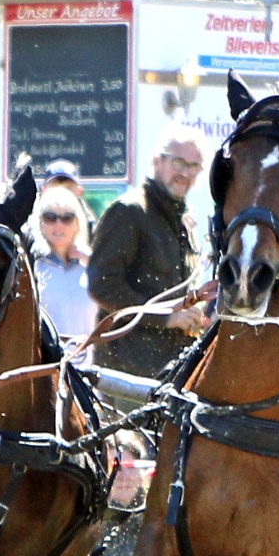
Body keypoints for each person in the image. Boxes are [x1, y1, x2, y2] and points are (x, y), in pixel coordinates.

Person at [88, 124, 210, 378]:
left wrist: (196, 305)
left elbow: (172, 291)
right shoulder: (129, 211)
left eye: (193, 166)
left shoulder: (182, 219)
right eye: (178, 163)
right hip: (127, 370)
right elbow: (102, 286)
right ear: (157, 161)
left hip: (171, 368)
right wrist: (166, 318)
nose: (185, 173)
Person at [33, 184, 98, 355]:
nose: (59, 225)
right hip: (47, 367)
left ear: (78, 223)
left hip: (90, 368)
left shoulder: (90, 266)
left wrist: (92, 260)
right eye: (50, 217)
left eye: (67, 218)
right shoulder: (33, 268)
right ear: (39, 223)